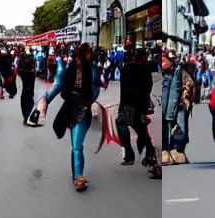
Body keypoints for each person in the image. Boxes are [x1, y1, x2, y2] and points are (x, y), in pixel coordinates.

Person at [41, 41, 107, 192]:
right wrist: (90, 101)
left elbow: (58, 85)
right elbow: (95, 88)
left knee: (75, 144)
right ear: (86, 54)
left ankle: (77, 175)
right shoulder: (91, 69)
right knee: (77, 145)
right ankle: (78, 175)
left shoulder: (69, 67)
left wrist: (46, 101)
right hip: (83, 108)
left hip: (70, 107)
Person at [117, 46, 155, 168]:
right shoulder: (145, 69)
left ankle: (129, 154)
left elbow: (123, 87)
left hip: (127, 104)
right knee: (141, 129)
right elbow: (148, 88)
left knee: (122, 125)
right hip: (140, 105)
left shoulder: (127, 68)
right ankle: (150, 153)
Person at [16, 47, 38, 127]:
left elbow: (18, 67)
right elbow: (35, 66)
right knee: (29, 94)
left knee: (26, 93)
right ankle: (29, 115)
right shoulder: (32, 56)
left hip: (25, 74)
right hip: (30, 75)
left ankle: (27, 115)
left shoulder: (21, 55)